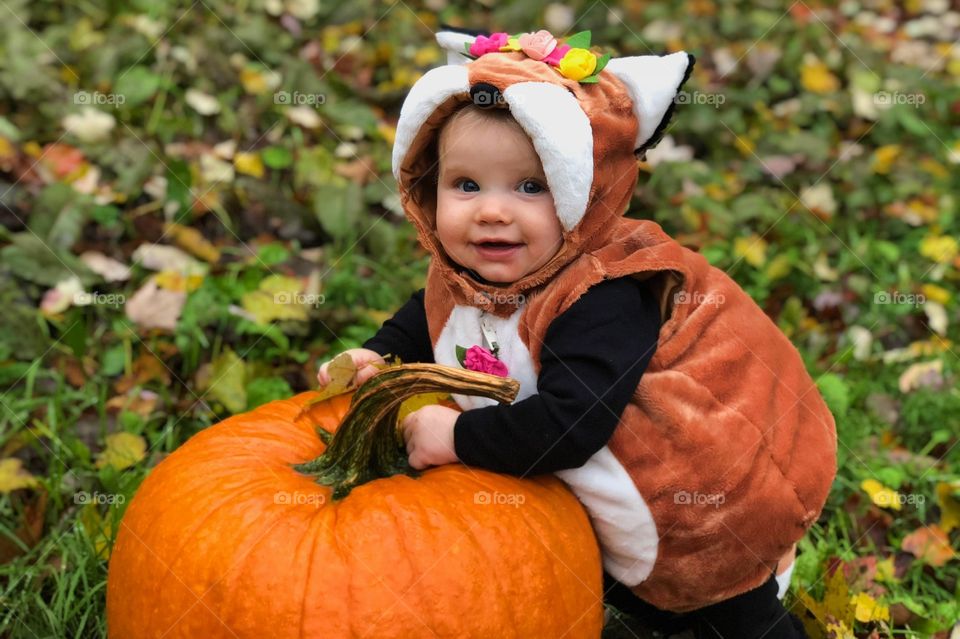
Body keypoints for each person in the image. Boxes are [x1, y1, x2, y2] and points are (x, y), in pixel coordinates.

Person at [317, 27, 835, 639]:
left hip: (693, 496)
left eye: (530, 187)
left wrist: (457, 434)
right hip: (593, 493)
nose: (492, 211)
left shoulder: (605, 294)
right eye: (466, 185)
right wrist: (379, 352)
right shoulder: (471, 268)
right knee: (603, 584)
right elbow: (427, 313)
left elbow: (572, 423)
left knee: (721, 609)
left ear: (582, 193)